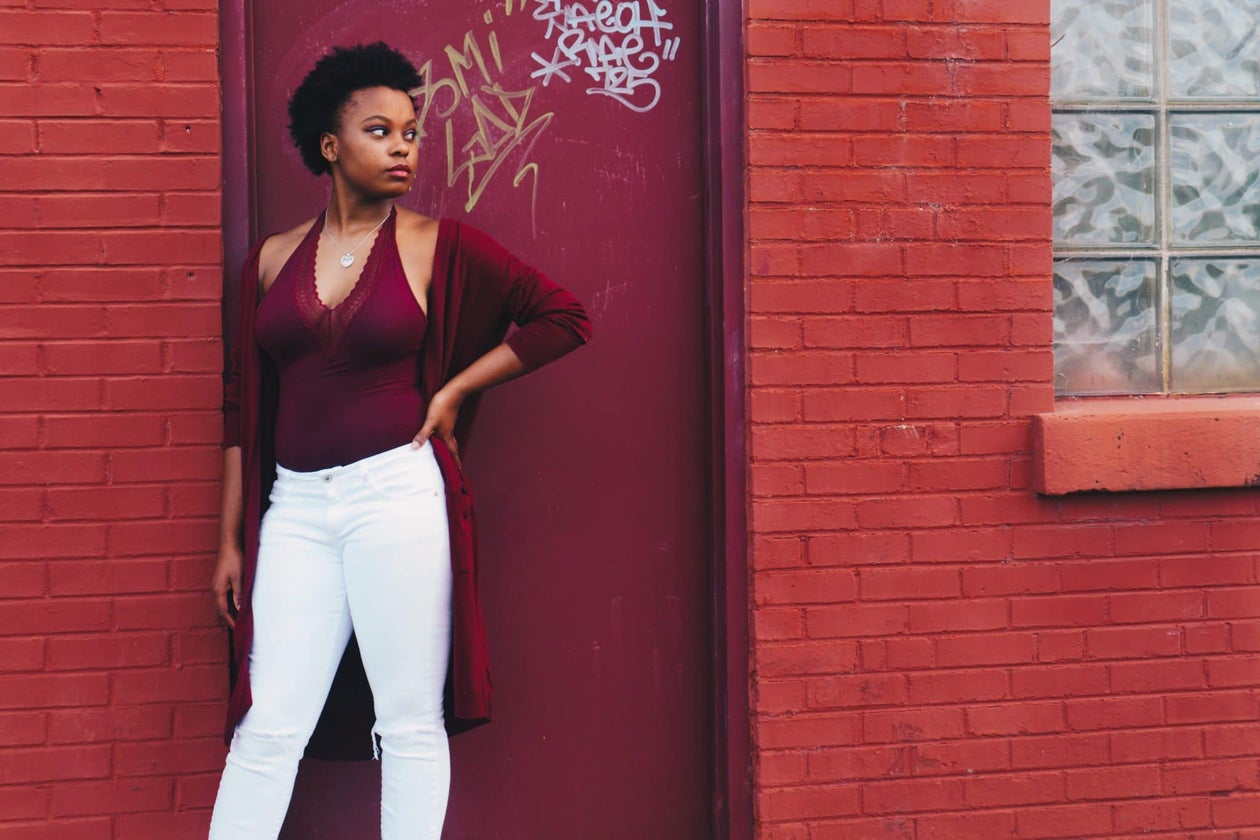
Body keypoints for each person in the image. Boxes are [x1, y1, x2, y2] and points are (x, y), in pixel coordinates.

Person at [207, 42, 591, 839]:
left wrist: (454, 388)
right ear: (329, 145)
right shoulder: (271, 261)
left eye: (411, 133)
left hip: (398, 498)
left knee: (408, 719)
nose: (404, 147)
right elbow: (242, 406)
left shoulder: (434, 245)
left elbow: (562, 316)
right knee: (268, 724)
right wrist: (231, 543)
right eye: (380, 131)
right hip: (297, 511)